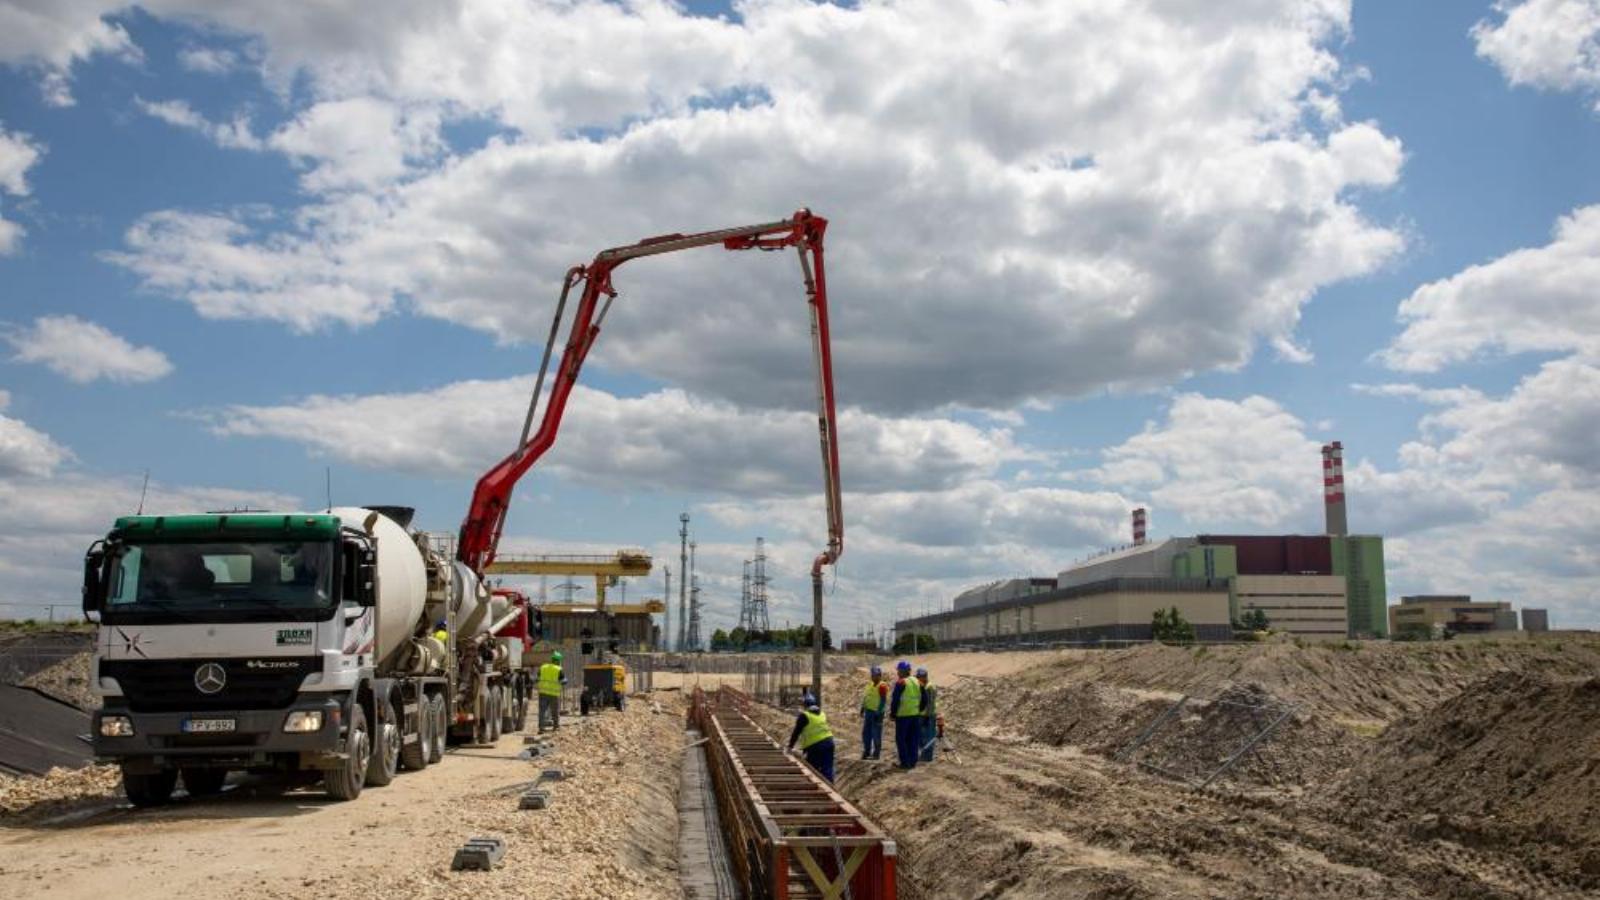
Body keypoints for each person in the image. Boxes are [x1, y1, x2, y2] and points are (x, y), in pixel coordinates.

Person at [787, 692, 836, 782]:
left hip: (816, 746)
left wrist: (790, 747)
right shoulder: (822, 713)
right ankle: (831, 788)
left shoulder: (804, 715)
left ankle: (817, 790)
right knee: (827, 769)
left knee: (812, 771)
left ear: (805, 704)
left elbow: (796, 732)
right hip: (829, 743)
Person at [887, 659, 924, 770]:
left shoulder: (901, 682)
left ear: (903, 671)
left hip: (903, 716)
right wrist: (919, 709)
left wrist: (893, 714)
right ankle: (913, 762)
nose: (897, 673)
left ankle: (904, 763)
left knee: (901, 740)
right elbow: (925, 699)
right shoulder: (918, 682)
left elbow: (895, 700)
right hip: (915, 715)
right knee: (913, 739)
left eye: (898, 670)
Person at [860, 665, 888, 760]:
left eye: (876, 675)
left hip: (877, 713)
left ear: (879, 676)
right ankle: (867, 751)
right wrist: (863, 708)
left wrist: (879, 712)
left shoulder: (882, 686)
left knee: (876, 733)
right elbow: (866, 697)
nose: (873, 677)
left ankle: (876, 753)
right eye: (872, 675)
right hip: (868, 711)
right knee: (866, 733)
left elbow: (883, 700)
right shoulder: (870, 684)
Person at [537, 650, 565, 733]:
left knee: (542, 711)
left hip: (543, 692)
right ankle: (556, 727)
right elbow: (562, 680)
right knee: (555, 711)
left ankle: (541, 728)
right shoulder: (559, 669)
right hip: (553, 693)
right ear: (558, 661)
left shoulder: (543, 667)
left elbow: (538, 676)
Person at [916, 667, 938, 763]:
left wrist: (927, 716)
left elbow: (930, 703)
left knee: (929, 736)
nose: (919, 679)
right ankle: (923, 754)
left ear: (925, 677)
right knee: (921, 736)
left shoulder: (930, 687)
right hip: (921, 715)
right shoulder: (921, 686)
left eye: (920, 677)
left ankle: (928, 756)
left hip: (928, 716)